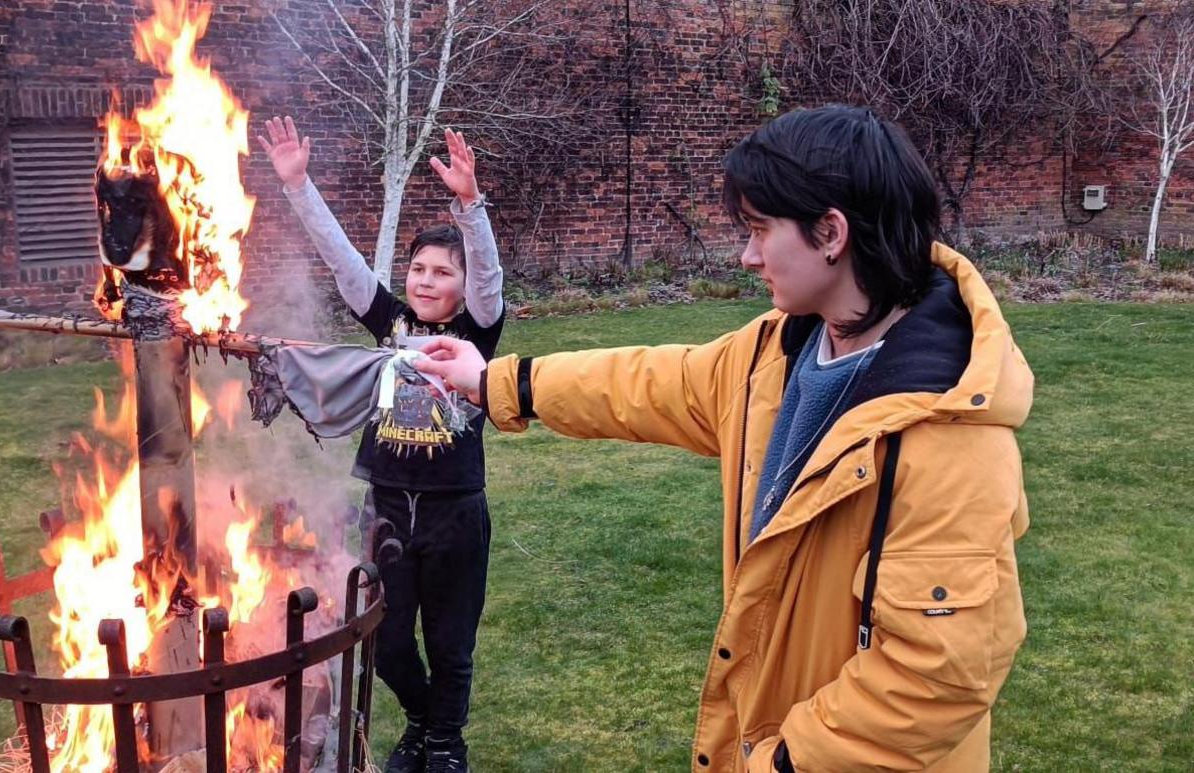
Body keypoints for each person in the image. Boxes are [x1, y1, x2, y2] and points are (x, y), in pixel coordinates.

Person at [414, 105, 1031, 773]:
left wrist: (782, 762)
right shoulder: (776, 351)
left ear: (831, 233)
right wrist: (500, 381)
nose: (746, 255)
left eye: (761, 230)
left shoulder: (948, 436)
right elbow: (646, 383)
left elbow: (936, 680)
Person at [261, 117, 503, 773]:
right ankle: (424, 722)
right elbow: (344, 264)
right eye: (417, 269)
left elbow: (488, 280)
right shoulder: (393, 325)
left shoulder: (478, 337)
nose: (425, 280)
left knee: (451, 643)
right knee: (390, 641)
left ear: (461, 286)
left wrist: (471, 207)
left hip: (456, 514)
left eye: (441, 272)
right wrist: (298, 185)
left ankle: (446, 744)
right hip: (388, 511)